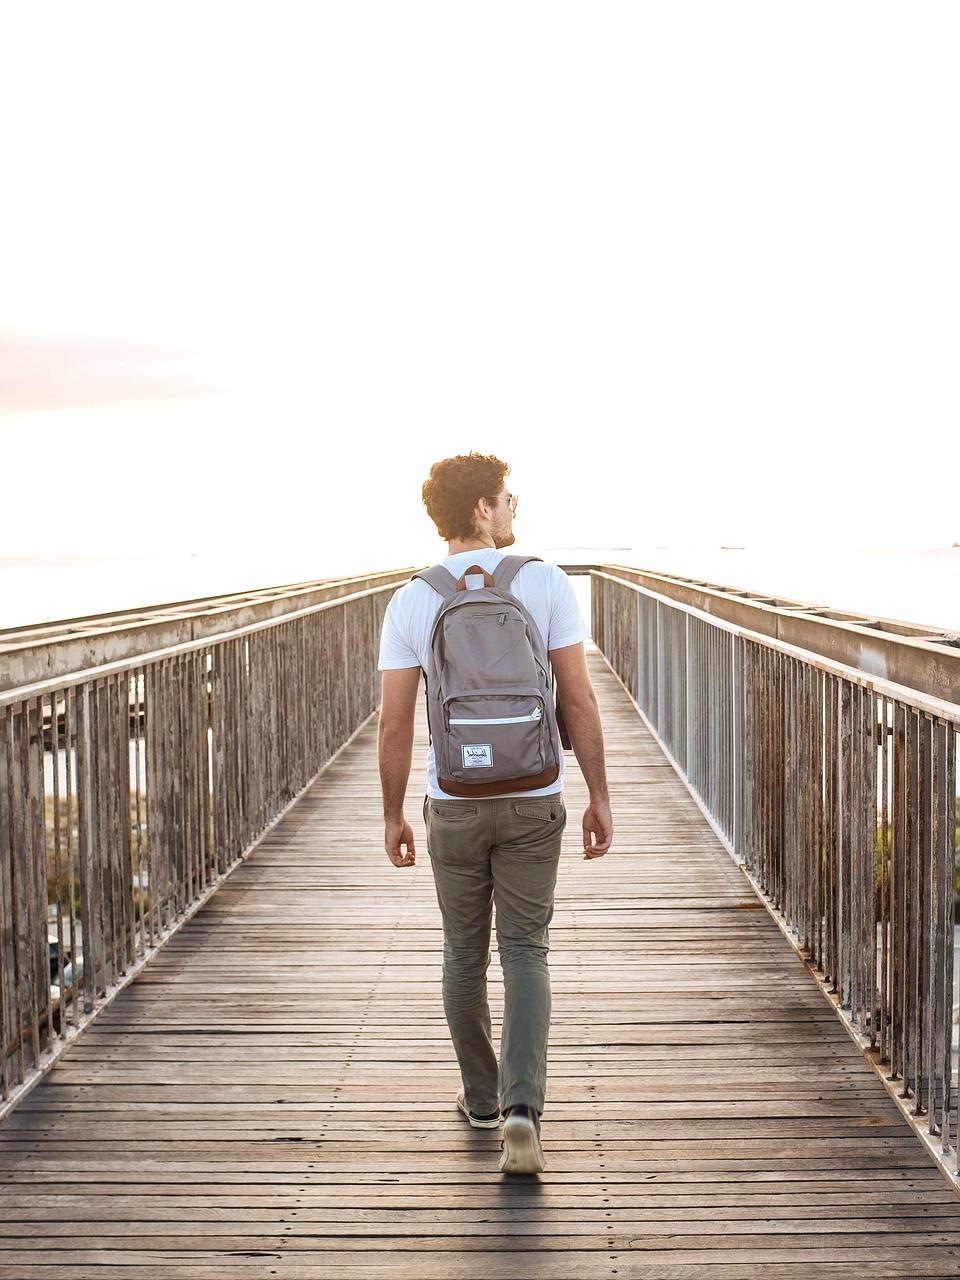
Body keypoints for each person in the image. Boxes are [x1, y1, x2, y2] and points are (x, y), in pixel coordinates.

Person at [376, 451, 613, 1174]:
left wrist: (393, 815)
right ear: (481, 508)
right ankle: (521, 1109)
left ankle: (479, 1100)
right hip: (534, 795)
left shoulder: (412, 599)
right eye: (508, 498)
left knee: (461, 952)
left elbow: (393, 724)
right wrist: (600, 794)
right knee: (526, 950)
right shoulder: (543, 584)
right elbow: (577, 698)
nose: (515, 509)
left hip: (453, 801)